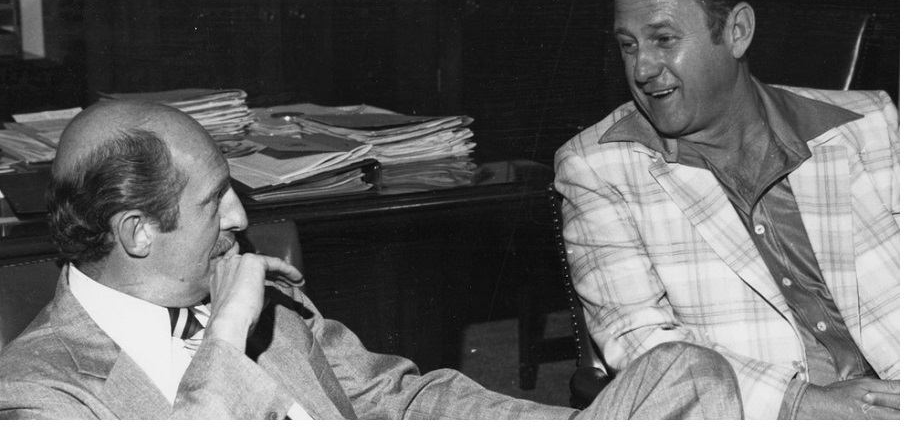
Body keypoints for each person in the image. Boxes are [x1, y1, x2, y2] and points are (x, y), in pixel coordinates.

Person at [0, 100, 741, 420]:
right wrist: (225, 338)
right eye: (215, 199)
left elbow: (401, 399)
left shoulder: (256, 299)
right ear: (136, 232)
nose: (240, 217)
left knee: (690, 373)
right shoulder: (41, 393)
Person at [554, 0, 899, 420]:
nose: (643, 68)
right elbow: (644, 348)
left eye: (664, 39)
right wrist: (805, 406)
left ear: (737, 31)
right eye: (628, 45)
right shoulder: (594, 167)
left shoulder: (872, 124)